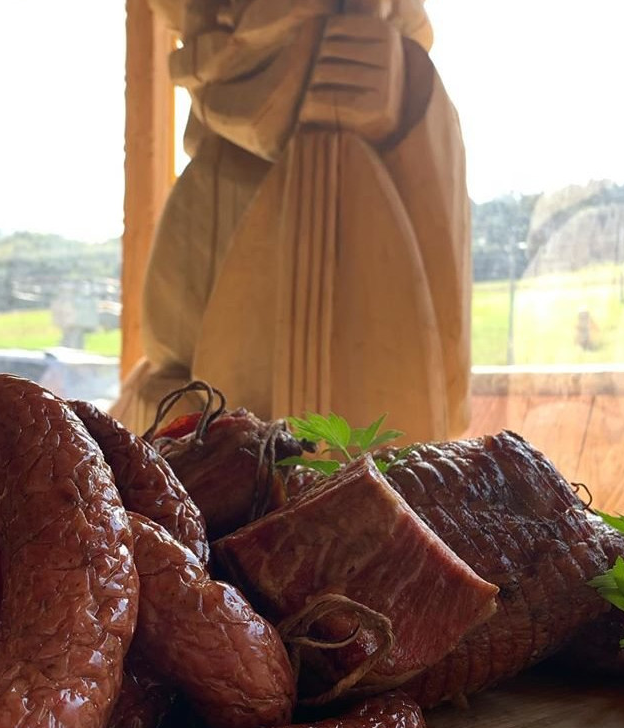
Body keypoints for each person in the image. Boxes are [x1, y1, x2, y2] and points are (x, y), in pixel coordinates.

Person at [114, 0, 471, 443]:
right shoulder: (209, 183)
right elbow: (166, 372)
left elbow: (438, 385)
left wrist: (407, 98)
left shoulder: (385, 70)